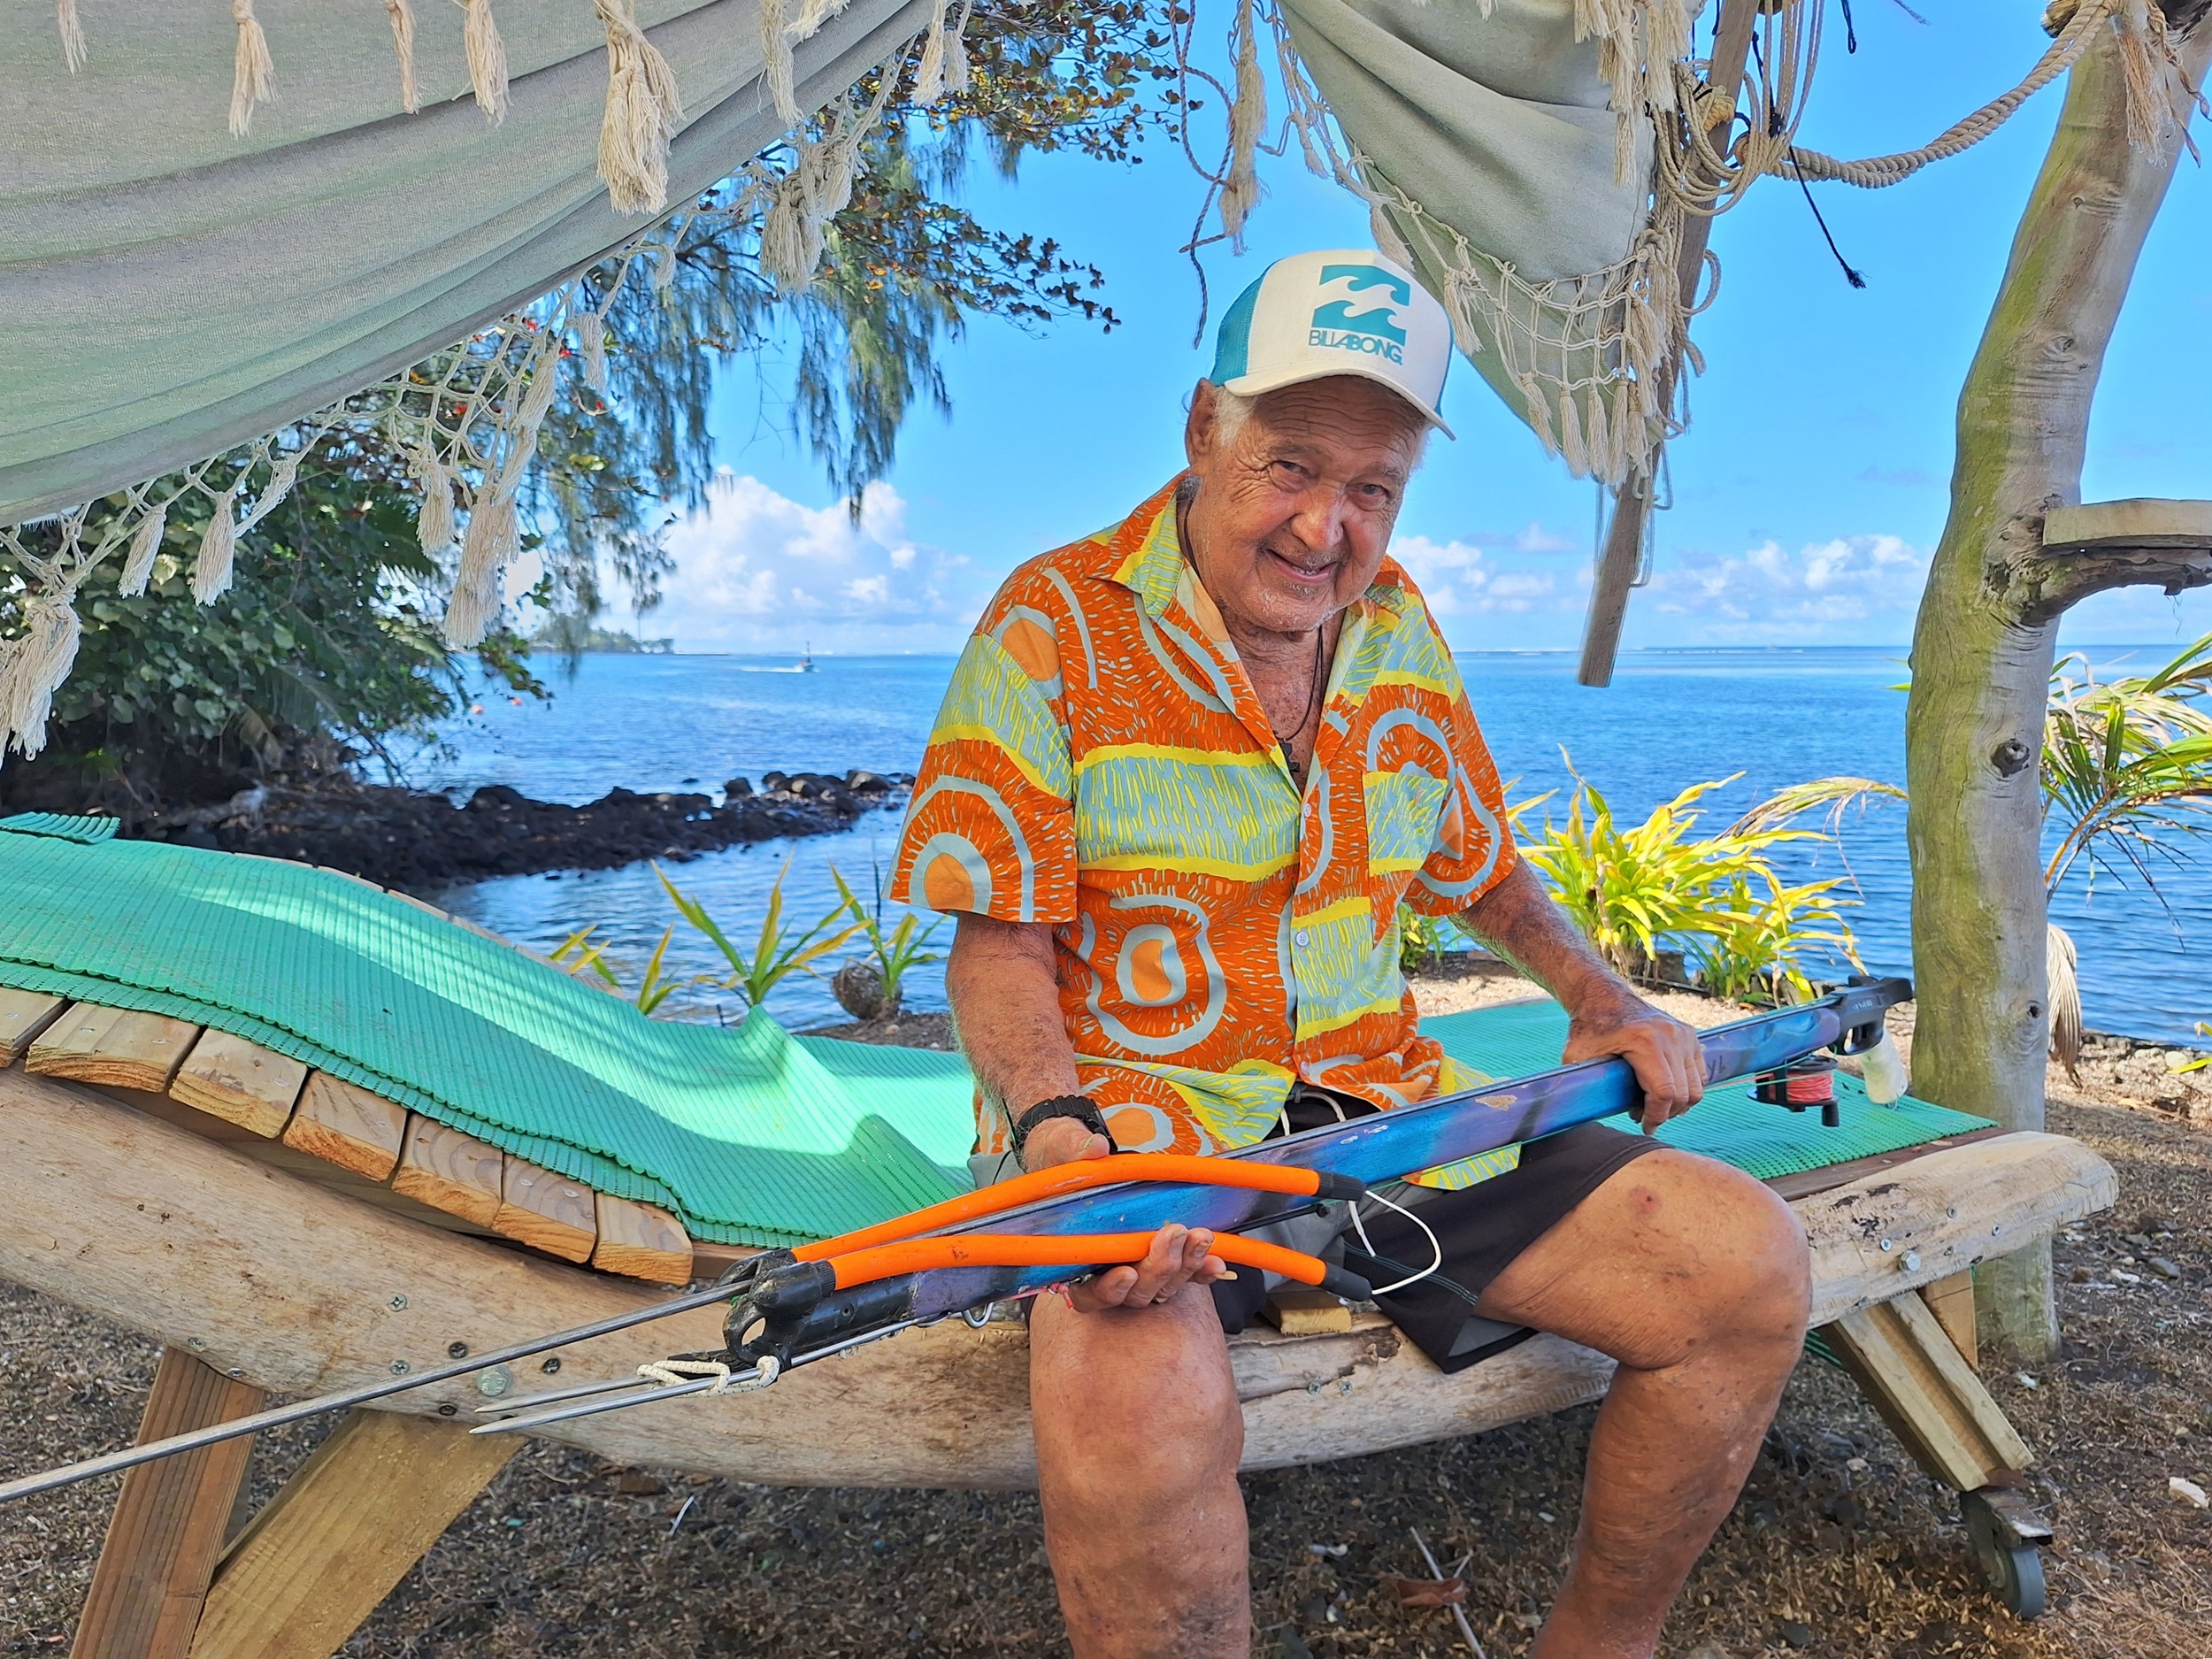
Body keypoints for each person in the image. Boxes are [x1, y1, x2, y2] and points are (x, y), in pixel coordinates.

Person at [893, 250, 1810, 1659]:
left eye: (1372, 488)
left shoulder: (1396, 626)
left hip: (1393, 1126)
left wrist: (1601, 1000)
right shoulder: (1053, 623)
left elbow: (1482, 867)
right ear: (1205, 432)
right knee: (1133, 1398)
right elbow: (997, 939)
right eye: (1290, 466)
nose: (1327, 526)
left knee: (1743, 1262)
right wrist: (1054, 1136)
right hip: (1147, 1133)